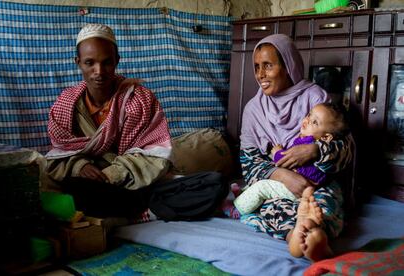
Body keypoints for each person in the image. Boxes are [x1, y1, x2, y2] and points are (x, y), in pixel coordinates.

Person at [45, 24, 227, 224]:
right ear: (78, 63)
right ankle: (149, 208)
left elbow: (153, 154)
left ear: (117, 61)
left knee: (214, 184)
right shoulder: (66, 105)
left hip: (137, 180)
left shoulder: (139, 99)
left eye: (106, 63)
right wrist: (79, 166)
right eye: (90, 63)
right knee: (72, 190)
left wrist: (114, 173)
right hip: (95, 187)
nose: (99, 72)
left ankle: (138, 210)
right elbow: (58, 155)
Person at [238, 34, 354, 262]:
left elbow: (346, 147)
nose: (260, 74)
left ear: (288, 66)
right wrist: (281, 175)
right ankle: (298, 236)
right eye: (257, 67)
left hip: (318, 184)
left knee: (320, 205)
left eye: (268, 66)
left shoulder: (315, 97)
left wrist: (315, 150)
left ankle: (316, 233)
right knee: (274, 208)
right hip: (276, 186)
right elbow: (248, 163)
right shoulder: (254, 110)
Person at [233, 102, 350, 215]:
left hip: (300, 188)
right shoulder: (305, 139)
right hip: (296, 181)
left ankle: (237, 210)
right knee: (260, 183)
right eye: (309, 115)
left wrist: (277, 152)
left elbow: (284, 161)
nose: (307, 120)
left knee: (262, 187)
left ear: (326, 137)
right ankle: (243, 195)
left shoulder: (309, 142)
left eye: (314, 122)